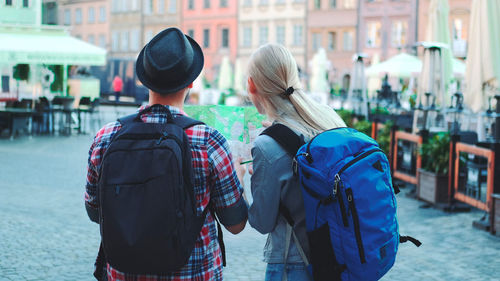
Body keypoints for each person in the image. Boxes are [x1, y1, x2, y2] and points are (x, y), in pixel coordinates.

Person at [85, 27, 248, 281]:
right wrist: (238, 177)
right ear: (191, 83)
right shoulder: (209, 141)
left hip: (124, 273)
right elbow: (236, 224)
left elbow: (95, 212)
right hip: (193, 274)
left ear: (143, 80)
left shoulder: (106, 136)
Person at [245, 44, 345, 281]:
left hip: (294, 265)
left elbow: (261, 222)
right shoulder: (328, 117)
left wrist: (240, 180)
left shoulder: (267, 146)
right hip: (338, 256)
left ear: (251, 85)